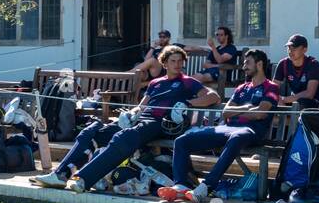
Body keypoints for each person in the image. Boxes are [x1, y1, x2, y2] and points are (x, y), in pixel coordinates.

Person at [32, 45, 219, 192]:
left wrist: (188, 103)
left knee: (125, 137)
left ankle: (82, 180)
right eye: (173, 61)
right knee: (92, 130)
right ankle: (60, 174)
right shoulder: (155, 83)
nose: (177, 64)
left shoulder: (188, 82)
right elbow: (143, 104)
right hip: (141, 121)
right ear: (165, 63)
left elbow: (213, 96)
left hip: (160, 124)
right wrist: (132, 113)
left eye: (180, 61)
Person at [160, 49, 279, 203]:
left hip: (252, 131)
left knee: (237, 137)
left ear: (260, 64)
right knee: (182, 140)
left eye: (247, 62)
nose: (243, 66)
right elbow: (225, 113)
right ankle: (181, 186)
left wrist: (239, 111)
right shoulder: (242, 88)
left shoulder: (271, 87)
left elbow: (261, 114)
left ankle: (206, 186)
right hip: (226, 129)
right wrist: (248, 108)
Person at [273, 34, 319, 108]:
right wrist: (278, 99)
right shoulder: (283, 64)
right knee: (270, 101)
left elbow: (309, 94)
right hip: (293, 101)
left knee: (303, 102)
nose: (290, 51)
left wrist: (284, 99)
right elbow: (273, 88)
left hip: (314, 103)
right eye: (289, 48)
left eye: (294, 48)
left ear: (305, 49)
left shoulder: (313, 64)